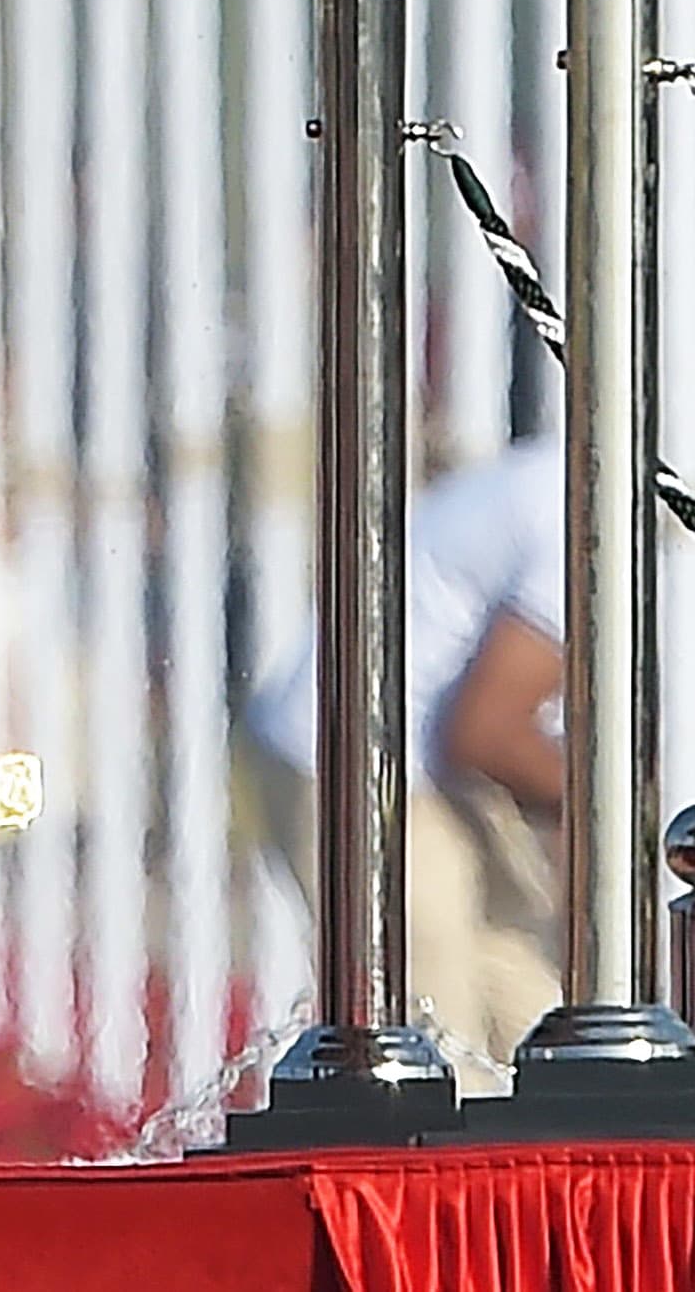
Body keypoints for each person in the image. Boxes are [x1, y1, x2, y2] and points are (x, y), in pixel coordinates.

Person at [240, 434, 566, 1083]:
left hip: (424, 768)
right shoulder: (595, 519)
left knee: (534, 1004)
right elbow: (485, 731)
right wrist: (635, 820)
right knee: (433, 1026)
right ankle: (451, 1182)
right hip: (350, 756)